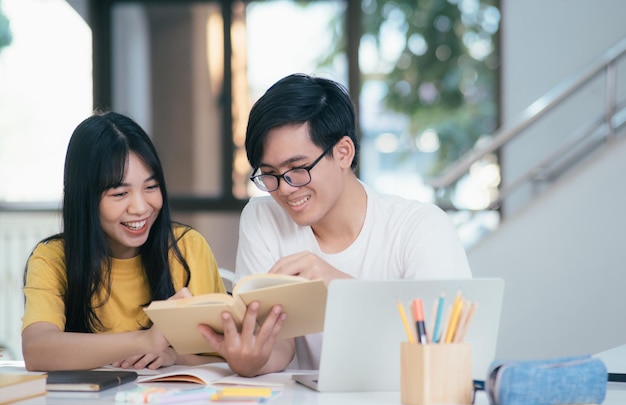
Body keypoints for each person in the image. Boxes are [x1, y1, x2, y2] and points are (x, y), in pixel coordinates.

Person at [199, 73, 472, 370]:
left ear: (343, 152)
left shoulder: (421, 228)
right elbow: (277, 347)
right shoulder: (263, 218)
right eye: (269, 174)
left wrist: (340, 287)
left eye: (298, 168)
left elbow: (446, 352)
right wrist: (250, 360)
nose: (286, 188)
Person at [21, 111, 228, 372]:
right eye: (120, 193)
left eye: (151, 187)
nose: (141, 207)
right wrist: (145, 340)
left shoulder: (187, 248)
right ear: (86, 199)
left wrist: (175, 358)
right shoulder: (53, 259)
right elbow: (37, 350)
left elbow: (227, 356)